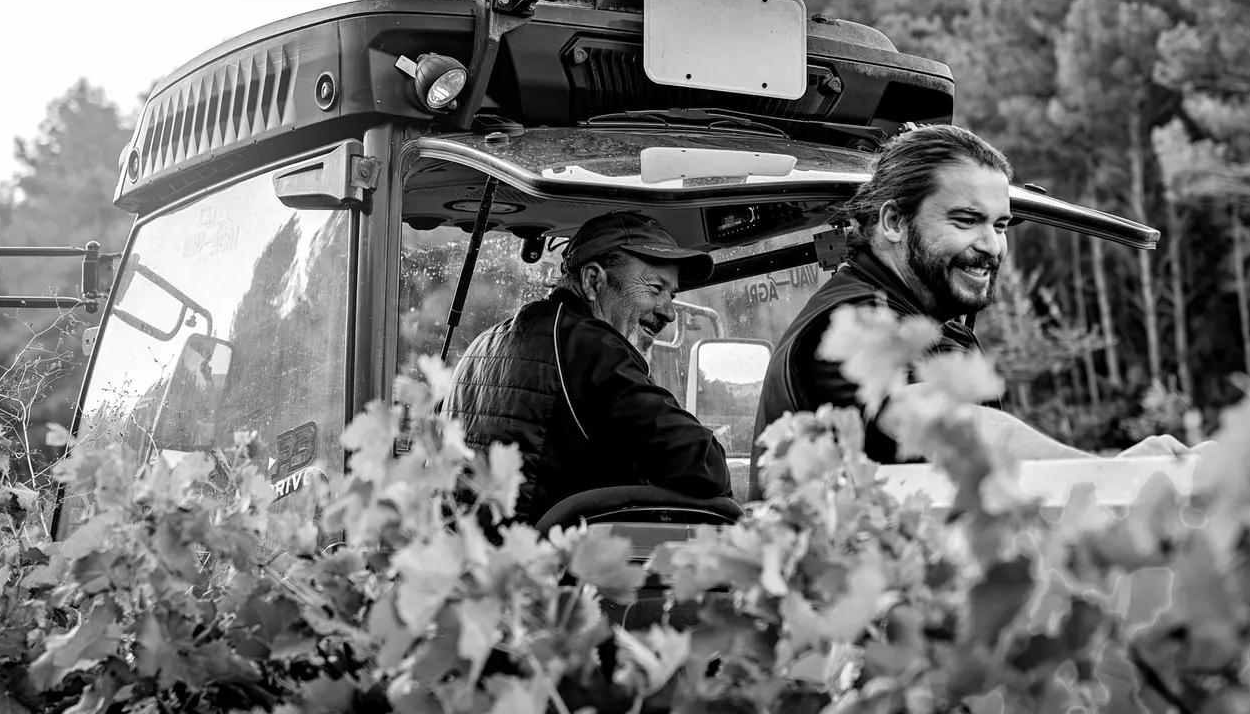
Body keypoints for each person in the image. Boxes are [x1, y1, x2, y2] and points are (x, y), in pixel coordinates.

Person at [747, 124, 1186, 499]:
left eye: (999, 225)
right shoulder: (846, 325)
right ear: (894, 223)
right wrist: (1106, 476)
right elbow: (942, 422)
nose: (992, 247)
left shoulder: (927, 325)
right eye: (965, 221)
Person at [443, 209, 733, 525]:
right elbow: (704, 465)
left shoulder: (482, 345)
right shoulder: (591, 347)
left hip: (472, 565)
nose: (669, 312)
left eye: (672, 295)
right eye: (655, 288)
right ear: (594, 281)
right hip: (552, 568)